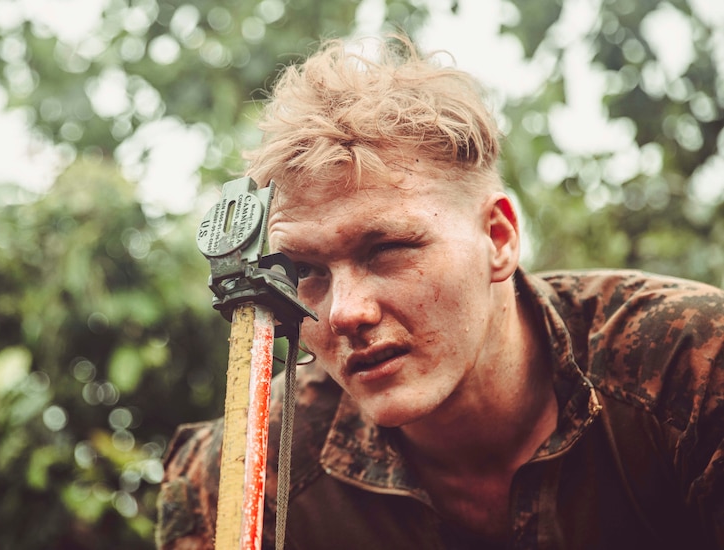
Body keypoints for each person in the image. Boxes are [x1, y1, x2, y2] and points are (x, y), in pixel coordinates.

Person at [155, 34, 724, 549]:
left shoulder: (690, 366)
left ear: (497, 238)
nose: (345, 313)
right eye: (305, 270)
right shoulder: (241, 472)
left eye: (387, 250)